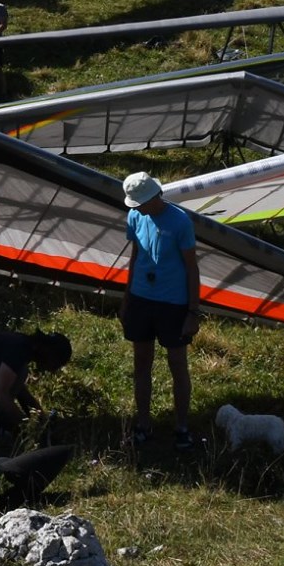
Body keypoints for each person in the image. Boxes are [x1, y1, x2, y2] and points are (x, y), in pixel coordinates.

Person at [121, 172, 201, 450]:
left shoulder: (180, 222)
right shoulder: (134, 216)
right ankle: (143, 424)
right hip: (141, 299)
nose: (139, 208)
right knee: (141, 363)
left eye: (141, 203)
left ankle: (182, 426)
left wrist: (193, 311)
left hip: (173, 303)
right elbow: (135, 257)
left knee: (177, 363)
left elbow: (191, 267)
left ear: (155, 196)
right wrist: (127, 299)